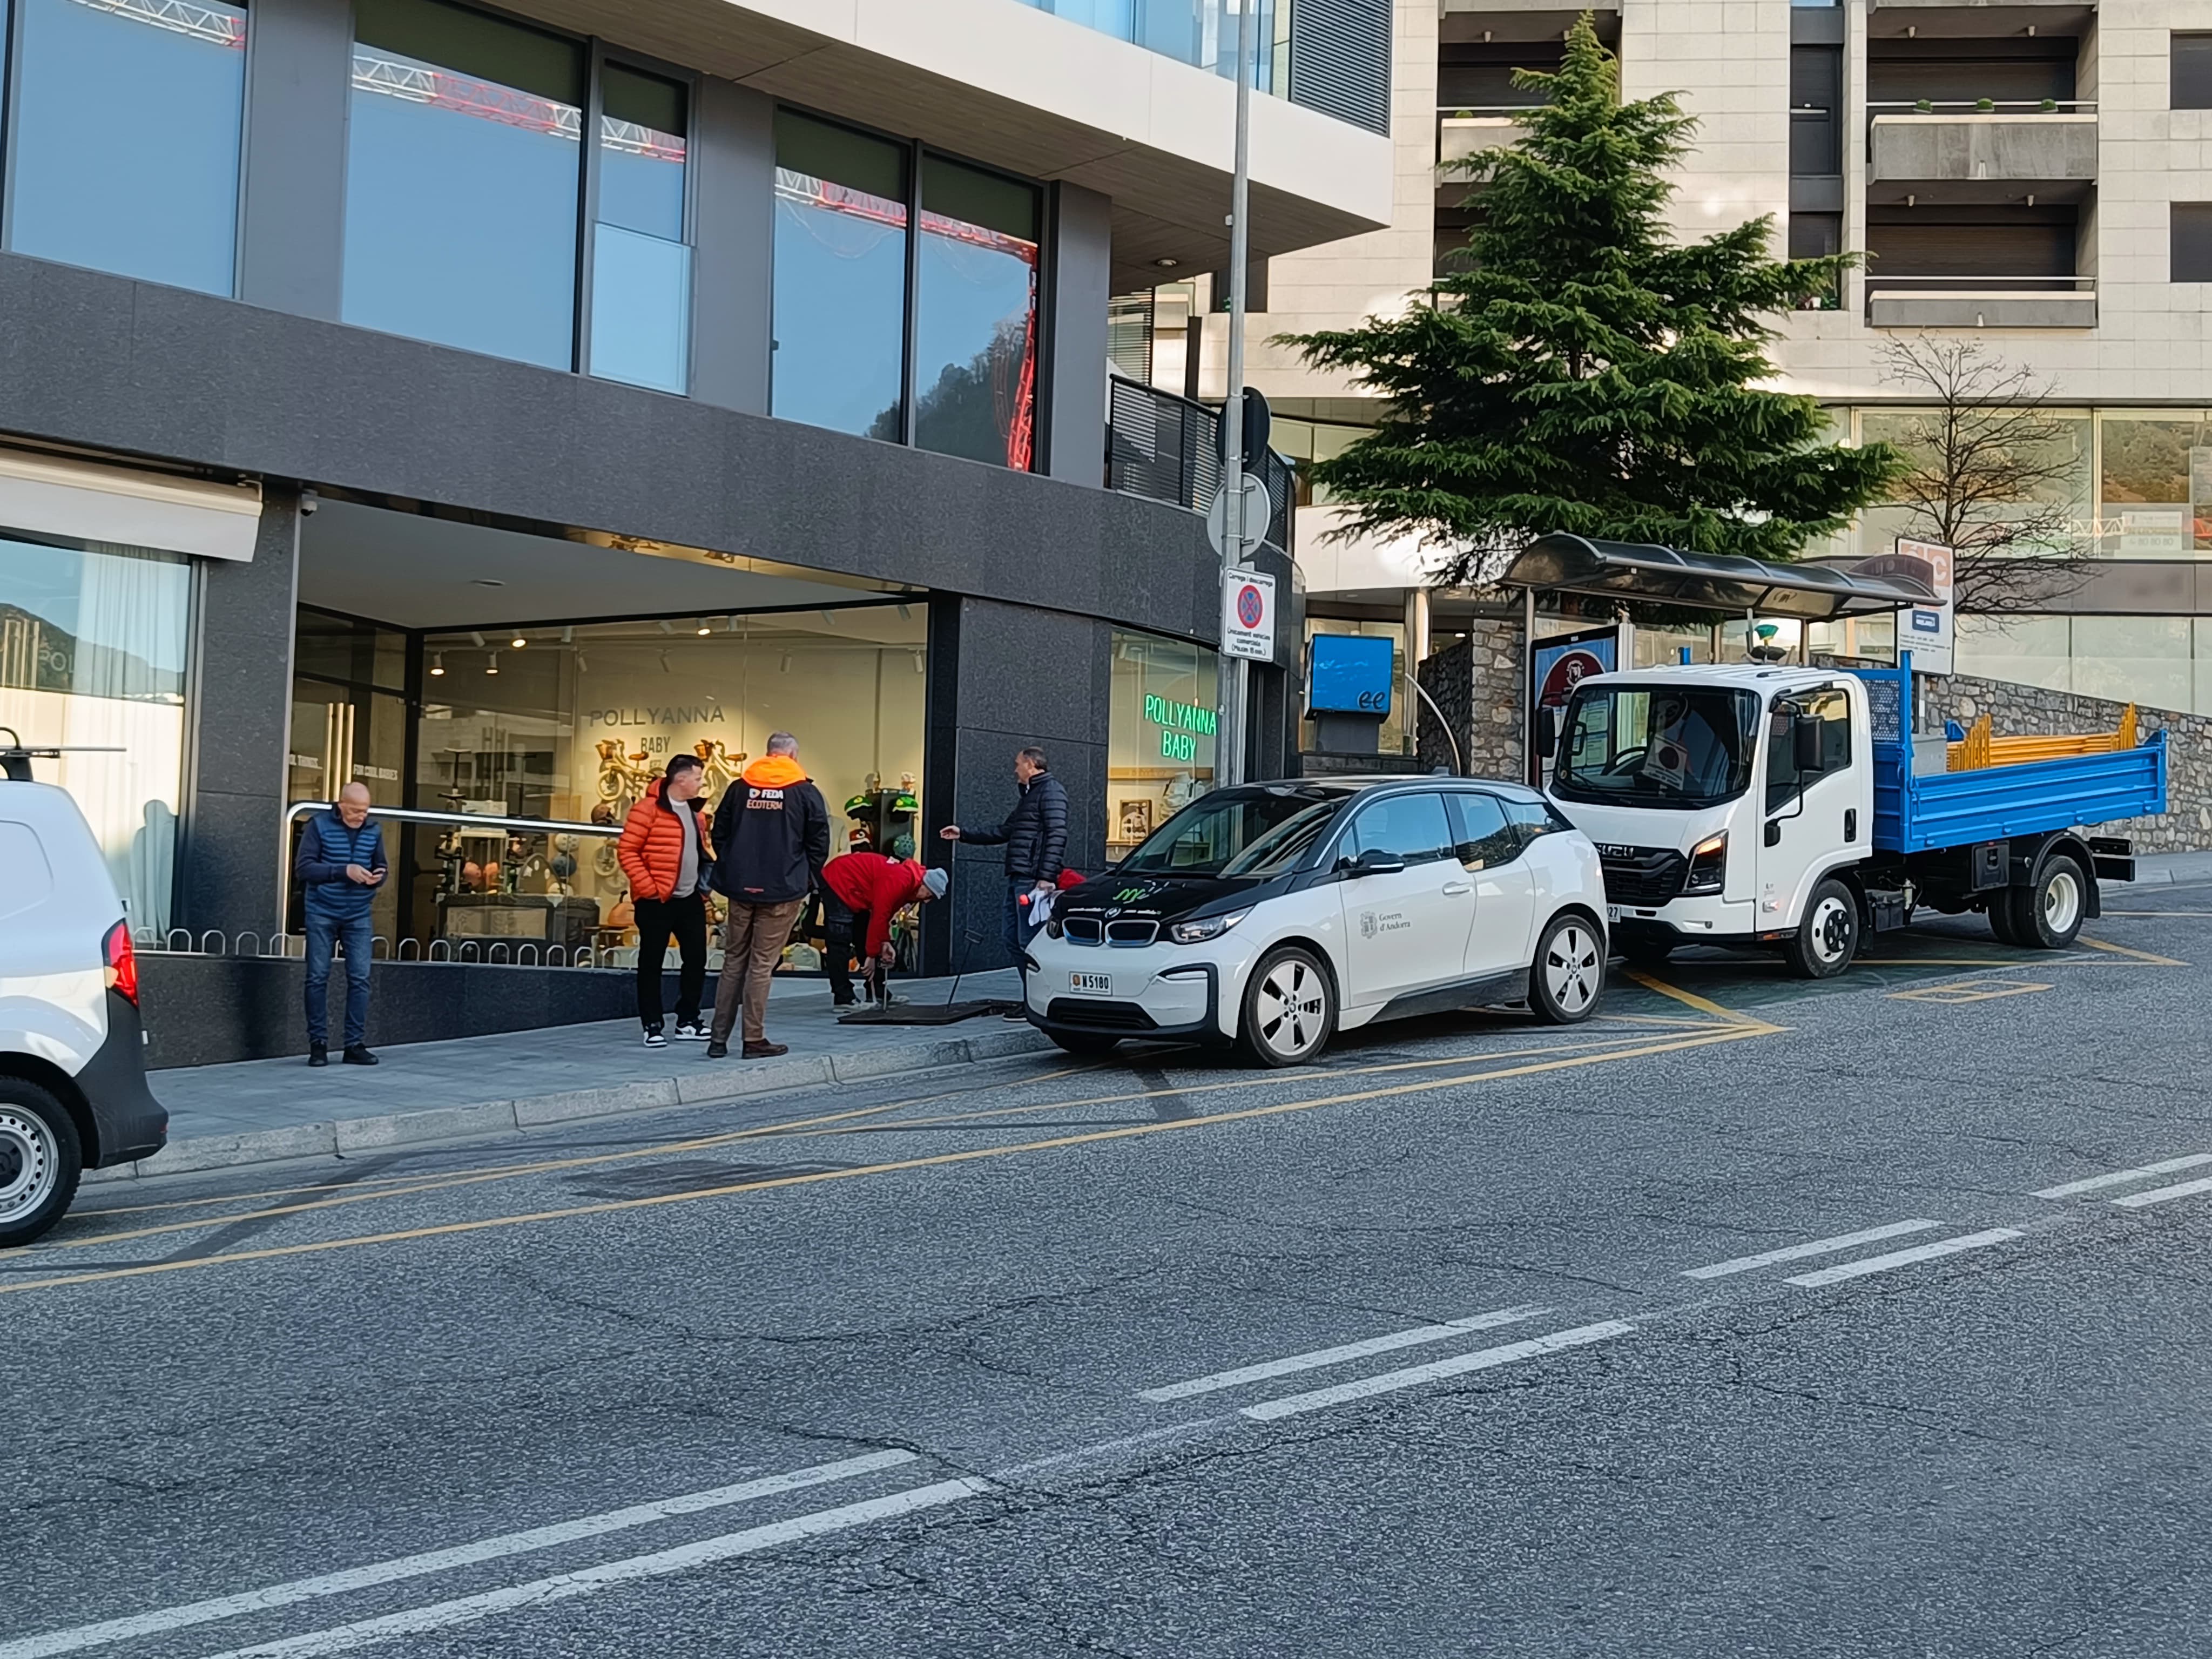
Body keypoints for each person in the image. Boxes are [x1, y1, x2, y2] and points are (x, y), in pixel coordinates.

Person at [707, 732, 829, 1060]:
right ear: (792, 755)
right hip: (783, 890)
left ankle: (718, 1040)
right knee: (761, 964)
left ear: (768, 753)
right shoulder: (805, 792)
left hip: (740, 887)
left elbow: (720, 833)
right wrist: (805, 878)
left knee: (734, 959)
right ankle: (753, 1039)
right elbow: (819, 842)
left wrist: (734, 866)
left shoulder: (739, 787)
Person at [940, 745, 1068, 1016]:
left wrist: (1045, 878)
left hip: (1033, 880)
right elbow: (1006, 830)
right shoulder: (1031, 794)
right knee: (1012, 939)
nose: (1015, 769)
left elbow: (1058, 833)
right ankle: (1032, 999)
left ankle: (1037, 1002)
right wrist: (963, 834)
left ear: (1032, 764)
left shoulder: (1051, 791)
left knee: (1028, 941)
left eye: (1018, 763)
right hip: (1019, 876)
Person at [617, 754, 713, 1049]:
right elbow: (627, 851)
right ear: (680, 779)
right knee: (652, 961)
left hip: (689, 898)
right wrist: (649, 888)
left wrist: (704, 887)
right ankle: (652, 1023)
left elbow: (699, 851)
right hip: (656, 900)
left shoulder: (696, 814)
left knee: (696, 958)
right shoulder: (647, 809)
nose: (700, 783)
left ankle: (688, 1020)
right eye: (697, 778)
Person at [294, 781, 388, 1067]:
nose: (362, 816)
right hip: (321, 910)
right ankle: (318, 1045)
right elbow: (304, 868)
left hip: (359, 912)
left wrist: (378, 877)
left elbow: (381, 864)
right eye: (356, 810)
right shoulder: (319, 826)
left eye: (366, 811)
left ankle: (354, 1045)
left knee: (360, 979)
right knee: (317, 977)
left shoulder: (373, 830)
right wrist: (343, 871)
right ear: (341, 804)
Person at [821, 849, 948, 1007]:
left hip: (856, 889)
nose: (927, 902)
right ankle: (843, 999)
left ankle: (877, 992)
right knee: (839, 940)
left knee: (866, 933)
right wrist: (872, 956)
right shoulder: (900, 880)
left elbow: (883, 918)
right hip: (839, 881)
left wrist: (885, 943)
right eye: (929, 895)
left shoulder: (908, 887)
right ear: (923, 885)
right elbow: (880, 915)